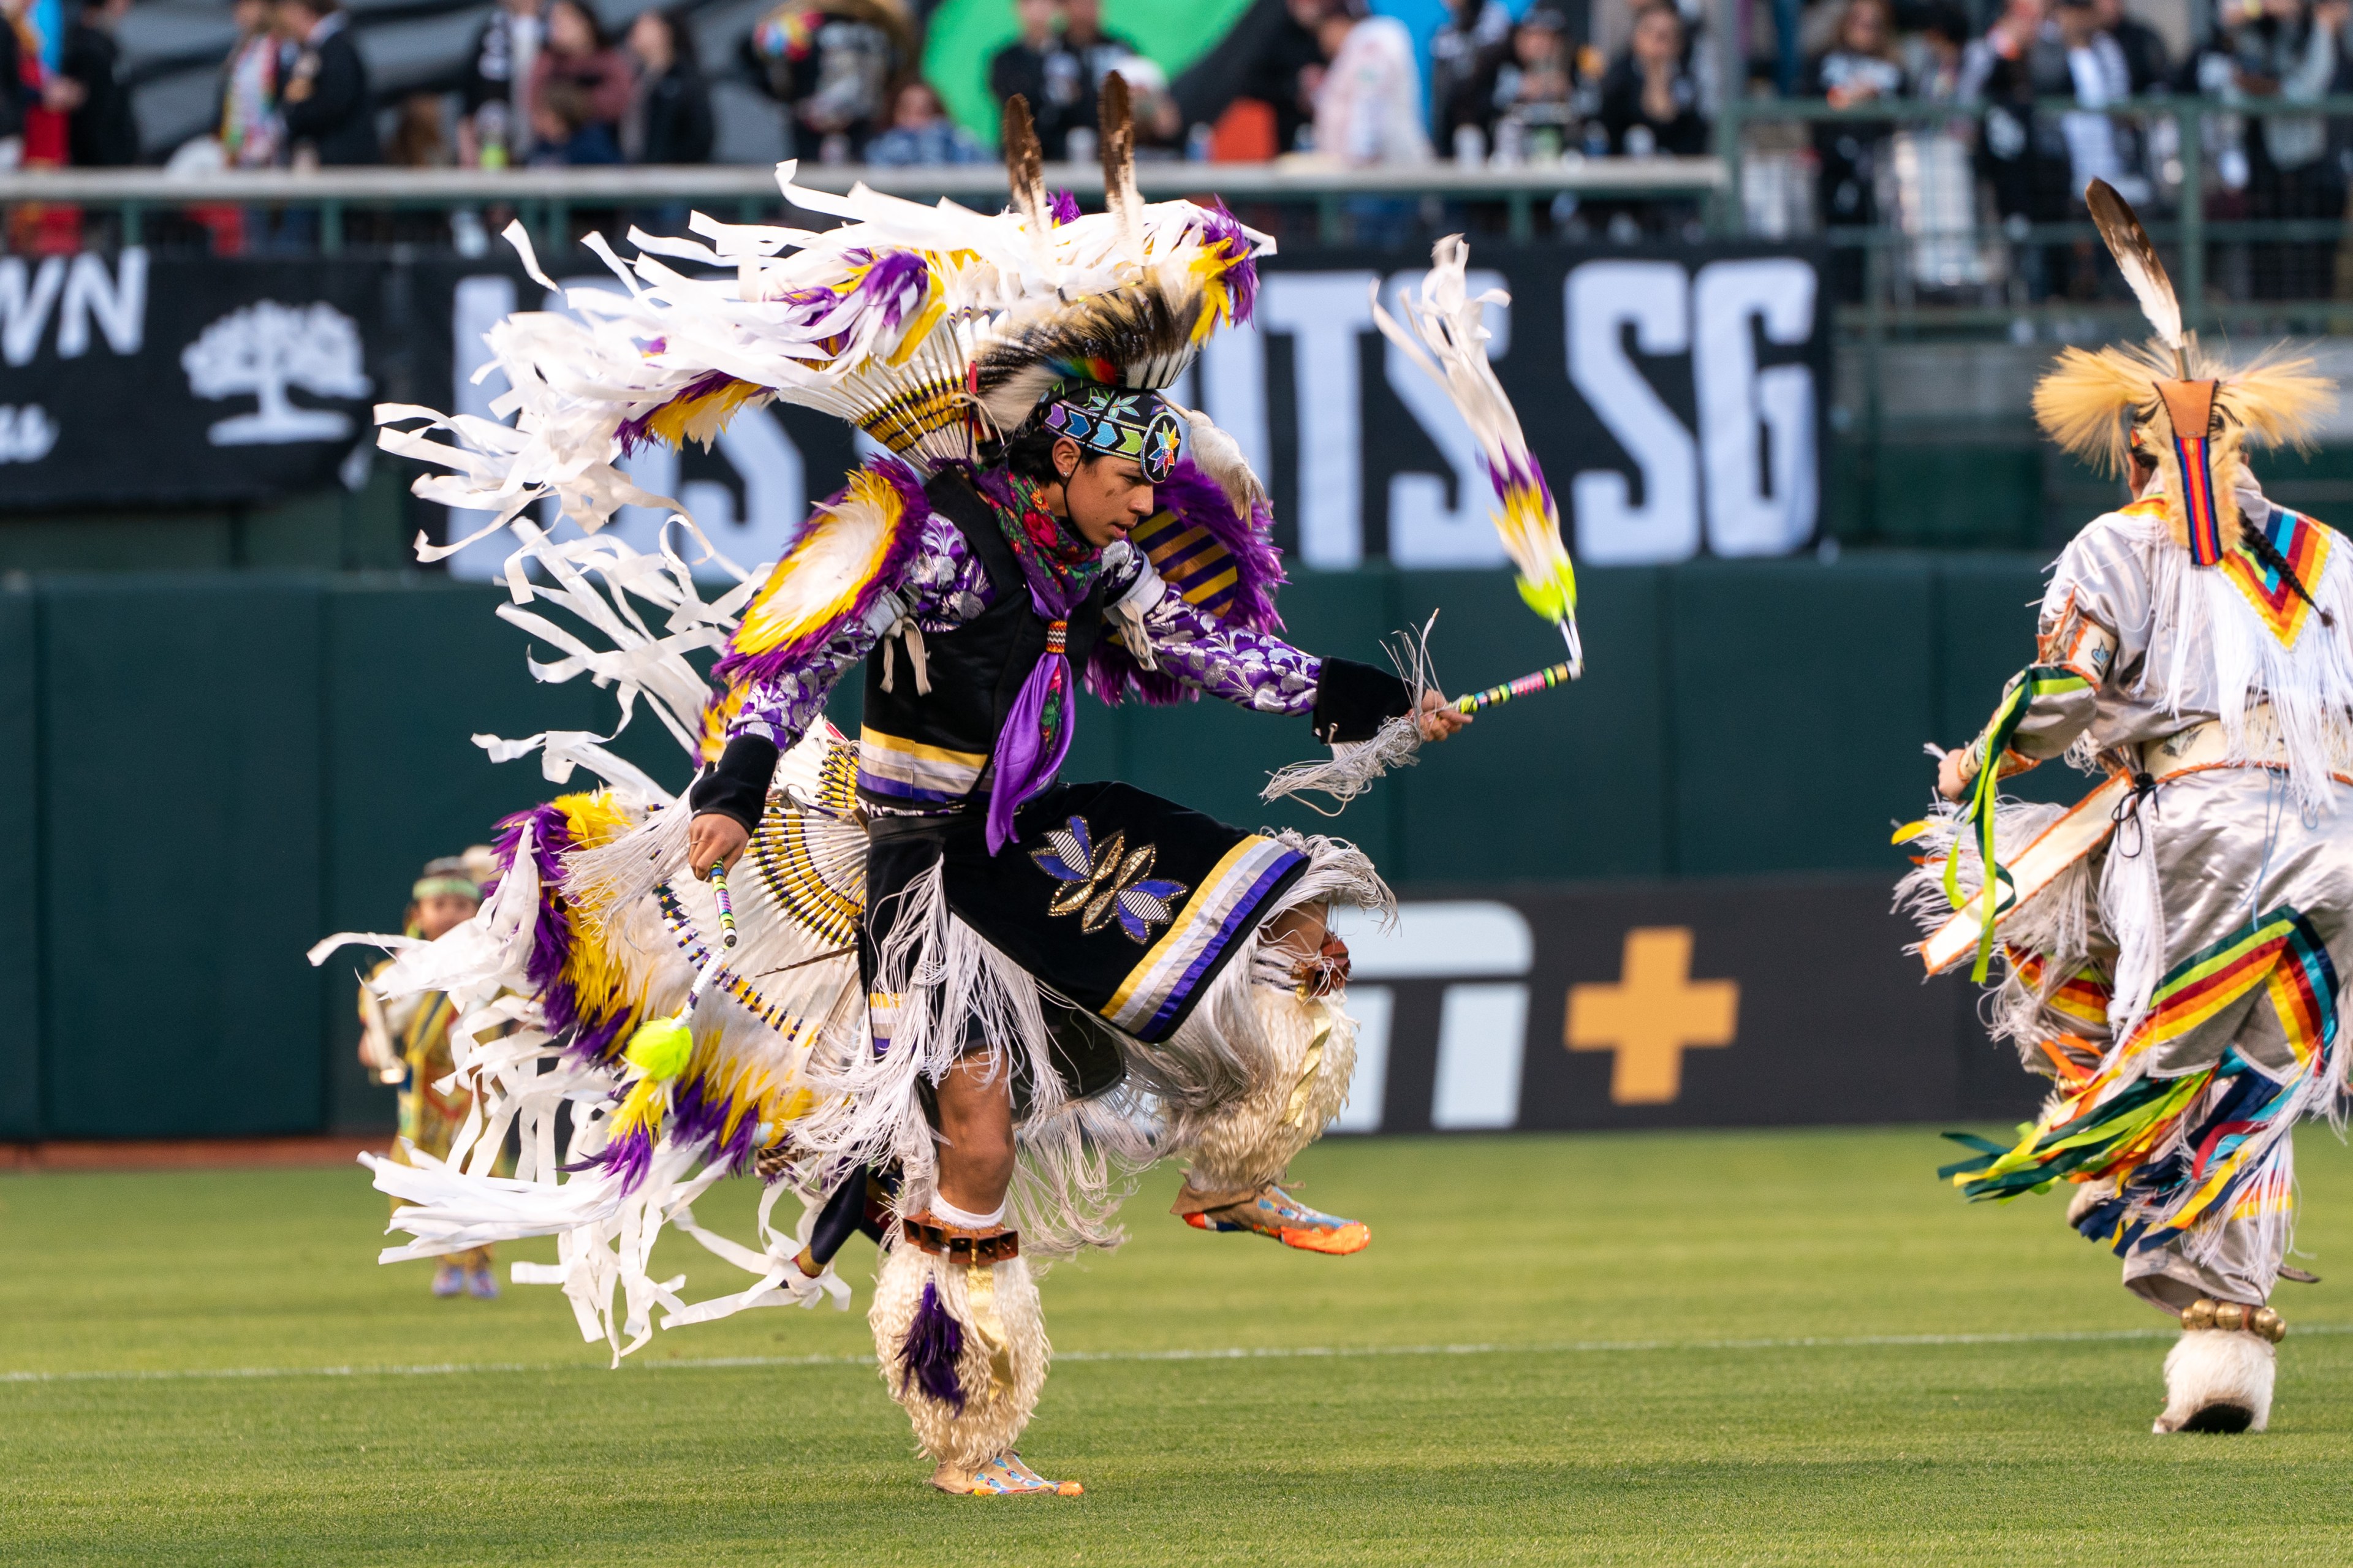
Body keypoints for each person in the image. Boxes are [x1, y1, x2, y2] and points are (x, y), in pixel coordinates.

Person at [350, 86, 1578, 1499]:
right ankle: (969, 1435)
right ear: (1061, 454)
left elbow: (1217, 647)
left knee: (1292, 914)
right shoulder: (918, 538)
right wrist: (730, 787)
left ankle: (1229, 1163)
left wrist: (1368, 698)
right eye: (1132, 468)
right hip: (924, 877)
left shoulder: (1087, 559)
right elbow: (783, 652)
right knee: (977, 1143)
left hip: (1036, 838)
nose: (1148, 497)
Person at [1904, 186, 2353, 1436]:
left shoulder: (2120, 545)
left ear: (2144, 452)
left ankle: (2111, 1168)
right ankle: (2226, 1362)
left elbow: (2064, 688)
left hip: (2204, 824)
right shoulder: (2329, 557)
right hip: (2338, 846)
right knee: (2262, 1089)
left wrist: (1984, 761)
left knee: (2151, 1049)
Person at [355, 855, 503, 1300]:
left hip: (476, 1090)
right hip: (424, 1092)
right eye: (439, 904)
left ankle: (478, 1261)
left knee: (479, 1178)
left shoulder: (495, 962)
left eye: (461, 905)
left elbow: (523, 1007)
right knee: (421, 1179)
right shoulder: (400, 971)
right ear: (418, 913)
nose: (451, 913)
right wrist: (375, 1047)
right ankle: (445, 1259)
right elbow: (378, 1026)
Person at [1804, 0, 1904, 301]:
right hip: (1833, 164)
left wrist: (1875, 99)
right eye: (1859, 21)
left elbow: (1910, 111)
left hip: (1881, 165)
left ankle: (1871, 313)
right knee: (1836, 240)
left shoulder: (1894, 66)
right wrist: (1849, 97)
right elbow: (1809, 101)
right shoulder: (1824, 60)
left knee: (1877, 243)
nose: (1865, 29)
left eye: (1874, 23)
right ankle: (1839, 310)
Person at [745, 0, 914, 162]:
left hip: (859, 127)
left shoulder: (877, 23)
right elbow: (757, 56)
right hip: (817, 127)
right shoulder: (801, 22)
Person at [1309, 0, 1431, 165]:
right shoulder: (1357, 49)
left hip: (1383, 175)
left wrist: (1361, 163)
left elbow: (1371, 102)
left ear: (1338, 21)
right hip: (1370, 174)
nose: (1321, 42)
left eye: (1322, 31)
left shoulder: (1372, 45)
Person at [527, 0, 630, 164]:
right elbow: (535, 105)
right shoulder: (547, 63)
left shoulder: (608, 61)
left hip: (600, 146)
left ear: (585, 24)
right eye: (554, 21)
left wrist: (572, 105)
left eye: (564, 20)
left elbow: (619, 102)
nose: (557, 28)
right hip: (552, 146)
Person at [278, 0, 376, 167]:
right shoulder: (313, 49)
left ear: (303, 10)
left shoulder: (336, 48)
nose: (285, 19)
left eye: (288, 9)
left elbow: (333, 103)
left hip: (346, 168)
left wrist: (296, 113)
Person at [988, 0, 1083, 160]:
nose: (1039, 9)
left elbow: (1081, 99)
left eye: (1045, 3)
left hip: (1063, 150)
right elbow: (1010, 100)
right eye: (1031, 3)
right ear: (1019, 9)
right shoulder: (1005, 59)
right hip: (1018, 150)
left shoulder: (1072, 53)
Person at [623, 7, 713, 164]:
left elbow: (700, 136)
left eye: (646, 24)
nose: (636, 30)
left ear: (665, 32)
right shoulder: (638, 79)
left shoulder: (684, 79)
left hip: (675, 176)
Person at [458, 0, 540, 167]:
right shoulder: (491, 32)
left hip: (546, 145)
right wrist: (467, 140)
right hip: (494, 139)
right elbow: (470, 91)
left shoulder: (557, 25)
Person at [57, 0, 136, 167]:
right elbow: (90, 119)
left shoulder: (109, 45)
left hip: (117, 163)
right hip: (96, 168)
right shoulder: (86, 47)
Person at [214, 0, 284, 170]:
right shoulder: (242, 49)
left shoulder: (282, 47)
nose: (238, 11)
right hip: (241, 155)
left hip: (274, 156)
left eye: (245, 4)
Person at [867, 78, 986, 164]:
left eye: (923, 112)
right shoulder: (876, 153)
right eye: (907, 111)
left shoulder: (963, 149)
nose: (914, 120)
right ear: (893, 116)